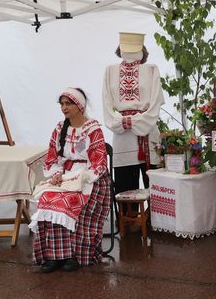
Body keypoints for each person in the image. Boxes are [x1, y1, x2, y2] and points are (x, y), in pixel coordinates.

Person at [30, 88, 111, 272]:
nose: (64, 107)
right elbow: (52, 158)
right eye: (62, 104)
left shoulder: (93, 129)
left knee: (69, 203)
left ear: (79, 106)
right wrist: (57, 174)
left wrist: (83, 177)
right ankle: (53, 255)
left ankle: (73, 255)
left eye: (68, 103)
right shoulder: (60, 129)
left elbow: (99, 162)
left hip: (90, 179)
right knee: (47, 200)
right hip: (65, 176)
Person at [102, 32, 164, 196]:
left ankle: (154, 214)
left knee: (155, 190)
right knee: (125, 190)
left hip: (148, 133)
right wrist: (121, 122)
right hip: (123, 137)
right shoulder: (110, 71)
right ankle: (129, 214)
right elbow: (106, 104)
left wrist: (140, 121)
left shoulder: (151, 70)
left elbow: (156, 103)